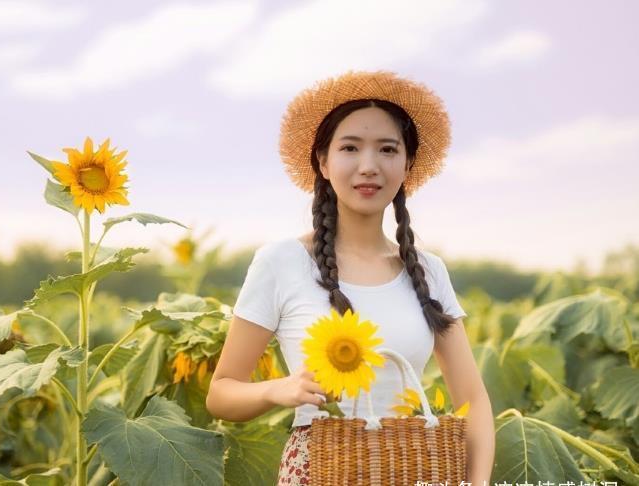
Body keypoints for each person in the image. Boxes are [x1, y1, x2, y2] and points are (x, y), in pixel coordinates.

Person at [205, 70, 494, 485]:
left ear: (407, 164)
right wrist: (278, 389)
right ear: (323, 162)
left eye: (388, 149)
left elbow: (473, 398)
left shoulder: (429, 271)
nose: (369, 166)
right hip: (319, 468)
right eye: (350, 148)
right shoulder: (281, 262)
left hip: (415, 464)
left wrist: (477, 482)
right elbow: (222, 392)